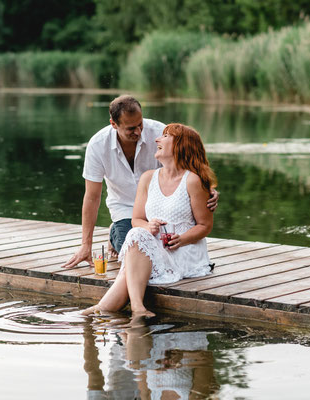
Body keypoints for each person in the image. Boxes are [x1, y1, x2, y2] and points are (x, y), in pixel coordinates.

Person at [62, 95, 218, 269]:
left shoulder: (159, 132)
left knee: (162, 256)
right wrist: (86, 245)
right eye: (130, 128)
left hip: (159, 212)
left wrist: (207, 189)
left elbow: (187, 161)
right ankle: (117, 231)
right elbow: (92, 197)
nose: (138, 131)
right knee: (132, 259)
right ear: (114, 124)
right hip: (126, 211)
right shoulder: (98, 146)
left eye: (140, 124)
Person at [82, 123, 216, 316]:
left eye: (165, 136)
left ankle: (101, 309)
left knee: (132, 259)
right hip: (155, 246)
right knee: (137, 233)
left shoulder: (193, 181)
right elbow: (136, 219)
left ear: (180, 145)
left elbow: (205, 225)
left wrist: (182, 239)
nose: (157, 139)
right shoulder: (148, 178)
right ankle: (136, 307)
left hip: (185, 251)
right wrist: (148, 225)